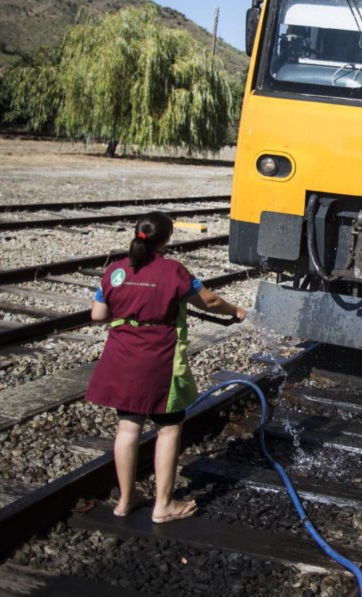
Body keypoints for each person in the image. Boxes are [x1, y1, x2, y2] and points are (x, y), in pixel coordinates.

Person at [85, 211, 247, 523]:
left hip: (121, 357)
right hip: (159, 359)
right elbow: (210, 302)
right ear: (167, 239)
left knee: (128, 427)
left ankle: (125, 500)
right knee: (169, 428)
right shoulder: (174, 271)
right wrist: (236, 310)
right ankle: (163, 505)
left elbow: (97, 314)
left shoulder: (115, 272)